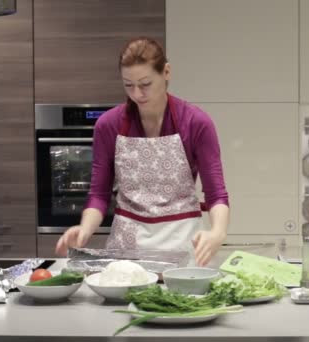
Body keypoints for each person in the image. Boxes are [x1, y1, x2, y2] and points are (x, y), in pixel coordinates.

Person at [55, 37, 230, 267]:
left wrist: (218, 232)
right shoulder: (108, 125)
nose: (137, 94)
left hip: (183, 245)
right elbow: (98, 194)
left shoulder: (196, 122)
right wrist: (85, 229)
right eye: (128, 85)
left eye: (145, 84)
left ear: (166, 72)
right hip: (128, 247)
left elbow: (216, 194)